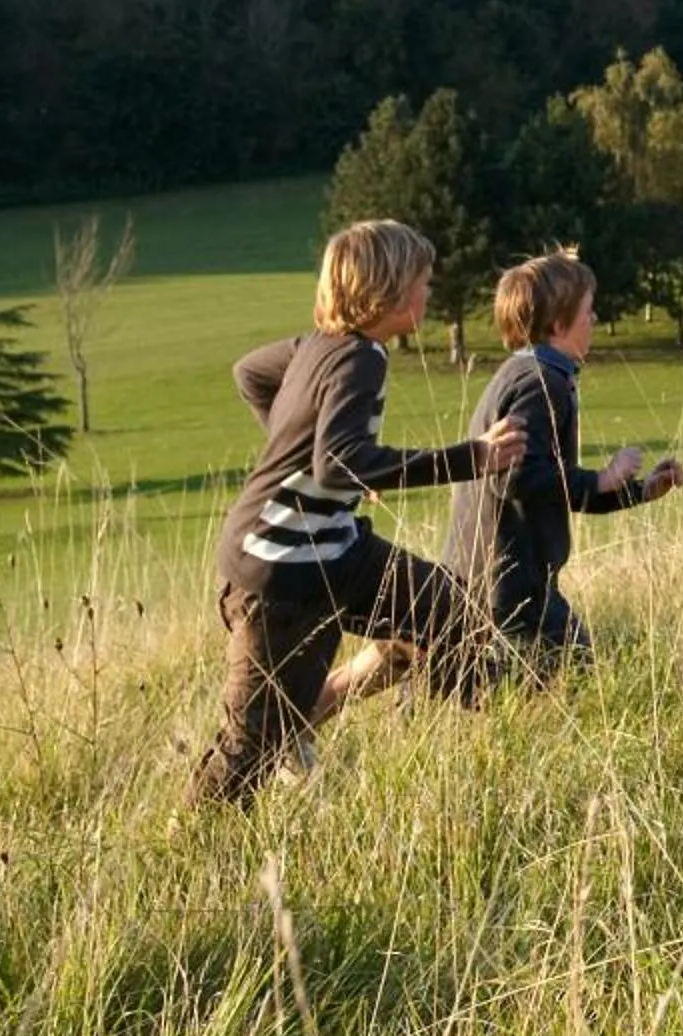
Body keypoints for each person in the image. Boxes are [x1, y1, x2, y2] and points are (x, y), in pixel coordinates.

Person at [186, 219, 525, 806]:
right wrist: (475, 457)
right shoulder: (358, 360)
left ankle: (502, 733)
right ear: (387, 291)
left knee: (444, 608)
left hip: (338, 550)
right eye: (422, 281)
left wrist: (296, 449)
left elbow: (251, 374)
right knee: (252, 745)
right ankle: (188, 845)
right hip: (281, 574)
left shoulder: (315, 348)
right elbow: (339, 465)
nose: (428, 292)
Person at [433, 249, 683, 692]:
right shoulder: (540, 382)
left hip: (498, 570)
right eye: (587, 311)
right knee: (571, 675)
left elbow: (553, 485)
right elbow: (514, 475)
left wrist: (640, 490)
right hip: (509, 573)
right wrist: (603, 478)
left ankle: (428, 703)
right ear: (557, 325)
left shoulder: (530, 373)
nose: (595, 319)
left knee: (511, 680)